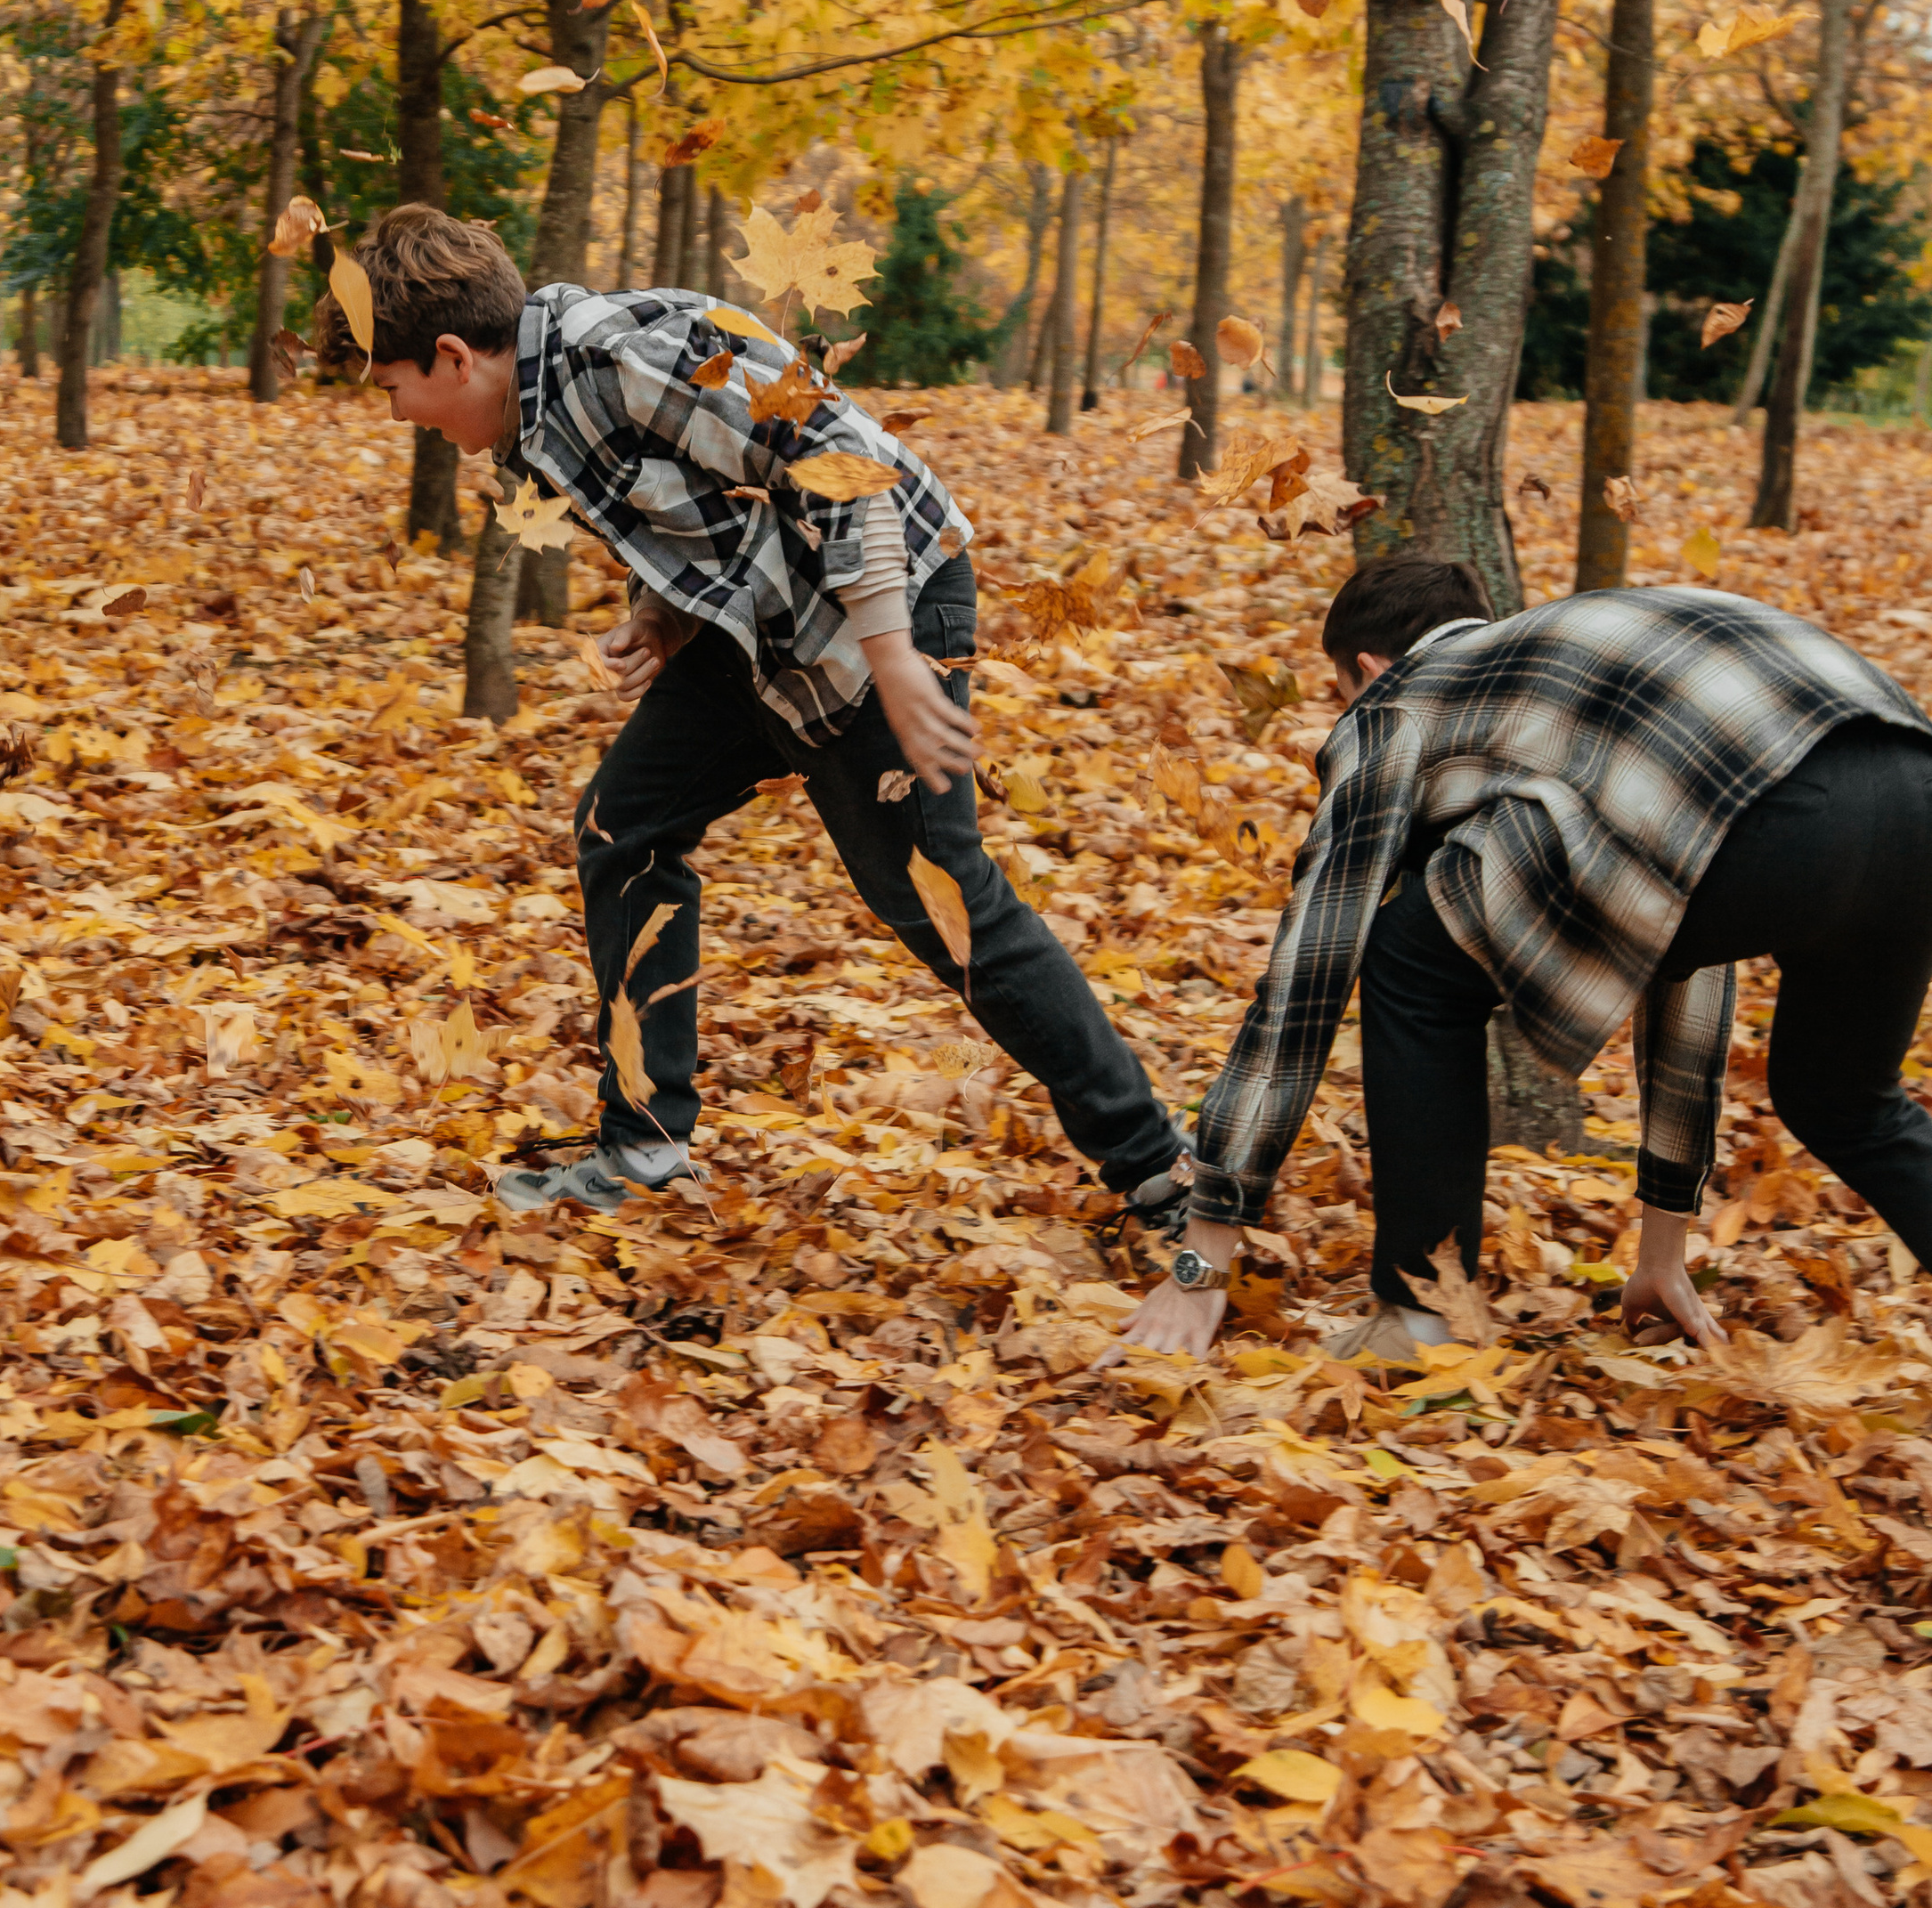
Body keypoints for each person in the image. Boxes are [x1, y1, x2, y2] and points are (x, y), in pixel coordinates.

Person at [332, 202, 1190, 1223]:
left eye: (392, 388)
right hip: (764, 625)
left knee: (941, 903)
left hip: (881, 607)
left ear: (450, 357)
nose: (398, 415)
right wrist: (662, 618)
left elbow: (845, 466)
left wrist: (896, 658)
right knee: (624, 829)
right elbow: (712, 505)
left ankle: (1160, 1168)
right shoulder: (535, 408)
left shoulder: (622, 357)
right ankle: (643, 1148)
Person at [1123, 550, 1932, 1365]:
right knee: (1846, 1102)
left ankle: (1420, 1316)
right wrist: (1662, 1254)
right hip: (1912, 787)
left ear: (1367, 670)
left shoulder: (1398, 699)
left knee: (1407, 960)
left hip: (1781, 820)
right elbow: (1684, 949)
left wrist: (1200, 1264)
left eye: (1340, 694)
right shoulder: (1579, 671)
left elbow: (1309, 972)